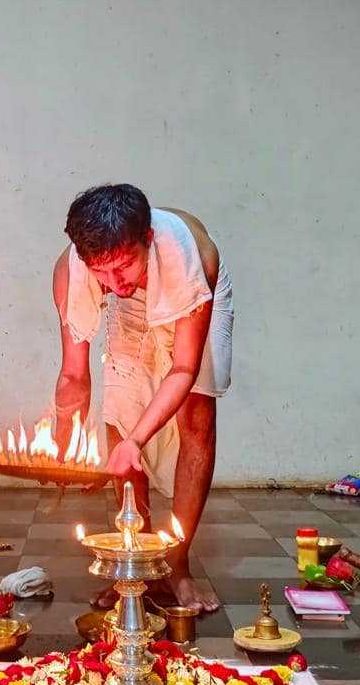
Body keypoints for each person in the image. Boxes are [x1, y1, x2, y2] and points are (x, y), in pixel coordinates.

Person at [52, 184, 234, 611]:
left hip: (192, 293)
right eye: (101, 271)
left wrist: (138, 440)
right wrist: (63, 440)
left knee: (195, 418)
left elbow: (184, 370)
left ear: (146, 240)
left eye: (122, 266)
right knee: (119, 413)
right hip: (136, 299)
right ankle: (136, 564)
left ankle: (178, 565)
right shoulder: (75, 271)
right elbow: (74, 374)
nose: (113, 283)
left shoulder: (190, 259)